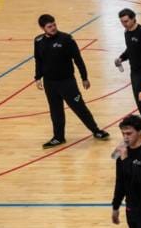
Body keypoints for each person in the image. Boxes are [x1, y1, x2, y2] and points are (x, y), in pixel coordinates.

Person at [33, 14, 110, 148]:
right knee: (55, 110)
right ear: (42, 28)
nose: (53, 28)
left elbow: (78, 59)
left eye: (54, 25)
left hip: (67, 82)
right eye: (49, 26)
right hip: (50, 83)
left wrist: (84, 77)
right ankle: (58, 137)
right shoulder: (38, 41)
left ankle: (96, 131)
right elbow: (38, 60)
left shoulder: (66, 39)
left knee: (79, 107)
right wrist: (37, 77)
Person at [115, 8, 141, 115]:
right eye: (122, 22)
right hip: (134, 72)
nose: (124, 24)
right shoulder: (127, 32)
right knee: (139, 100)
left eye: (126, 21)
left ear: (133, 19)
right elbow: (130, 49)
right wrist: (121, 58)